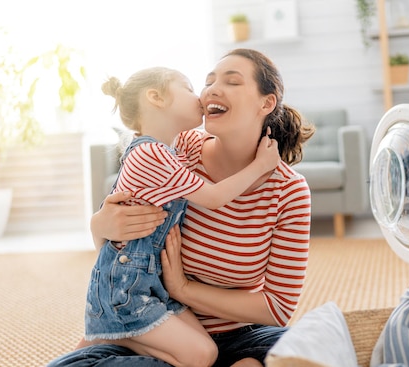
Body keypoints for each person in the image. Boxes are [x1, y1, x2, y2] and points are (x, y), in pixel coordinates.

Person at [47, 48, 315, 367]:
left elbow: (277, 308)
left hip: (238, 335)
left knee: (308, 346)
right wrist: (99, 226)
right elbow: (126, 245)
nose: (211, 89)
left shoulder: (289, 190)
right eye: (207, 81)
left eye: (232, 82)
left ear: (266, 103)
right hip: (153, 323)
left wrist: (184, 289)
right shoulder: (180, 147)